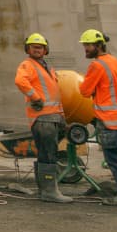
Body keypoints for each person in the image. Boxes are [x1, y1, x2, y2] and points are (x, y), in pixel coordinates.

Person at [79, 29, 117, 206]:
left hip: (108, 119)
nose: (85, 49)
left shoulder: (97, 65)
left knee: (115, 158)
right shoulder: (113, 61)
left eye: (88, 45)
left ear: (99, 45)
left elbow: (84, 91)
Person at [14, 34, 72, 204]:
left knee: (48, 152)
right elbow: (20, 81)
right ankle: (49, 192)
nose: (37, 49)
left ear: (45, 49)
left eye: (39, 47)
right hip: (42, 118)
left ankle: (45, 189)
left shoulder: (48, 68)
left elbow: (55, 94)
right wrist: (35, 97)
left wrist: (62, 118)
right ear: (27, 49)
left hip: (52, 117)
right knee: (48, 154)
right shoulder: (27, 65)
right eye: (33, 46)